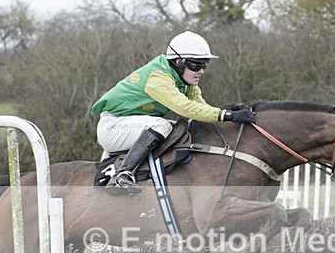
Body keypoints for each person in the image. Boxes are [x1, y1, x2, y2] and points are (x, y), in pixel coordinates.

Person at [90, 30, 256, 195]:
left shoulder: (184, 82)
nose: (201, 71)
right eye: (196, 65)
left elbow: (202, 108)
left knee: (181, 129)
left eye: (204, 64)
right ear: (178, 61)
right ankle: (122, 176)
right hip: (112, 127)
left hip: (132, 126)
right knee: (162, 125)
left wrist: (228, 112)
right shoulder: (158, 77)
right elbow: (187, 108)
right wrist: (227, 115)